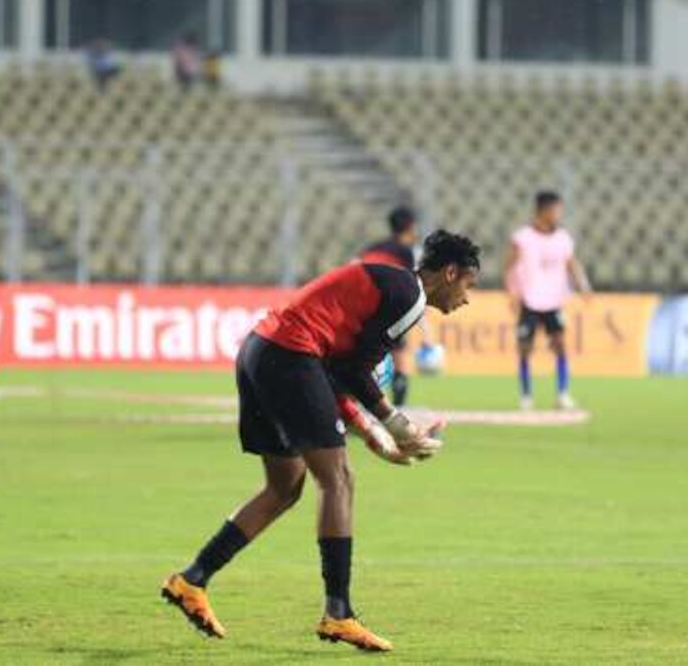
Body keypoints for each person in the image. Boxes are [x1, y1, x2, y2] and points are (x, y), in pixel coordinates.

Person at [161, 230, 481, 653]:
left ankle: (191, 580)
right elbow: (349, 372)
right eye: (469, 285)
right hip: (290, 356)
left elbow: (334, 372)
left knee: (284, 486)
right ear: (450, 272)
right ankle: (339, 614)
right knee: (339, 481)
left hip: (260, 352)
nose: (468, 297)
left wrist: (376, 437)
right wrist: (394, 422)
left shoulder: (393, 285)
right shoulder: (409, 297)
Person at [504, 191, 592, 411]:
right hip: (529, 299)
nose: (558, 214)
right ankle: (526, 396)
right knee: (525, 347)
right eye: (555, 209)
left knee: (561, 345)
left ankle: (562, 394)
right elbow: (509, 266)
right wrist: (512, 293)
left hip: (554, 300)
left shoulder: (563, 238)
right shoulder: (523, 237)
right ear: (543, 211)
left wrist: (583, 285)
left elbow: (572, 263)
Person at [359, 206, 424, 406]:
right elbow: (410, 284)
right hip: (389, 307)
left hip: (362, 307)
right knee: (400, 357)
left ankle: (360, 406)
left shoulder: (371, 249)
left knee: (362, 361)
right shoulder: (406, 252)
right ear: (411, 227)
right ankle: (399, 407)